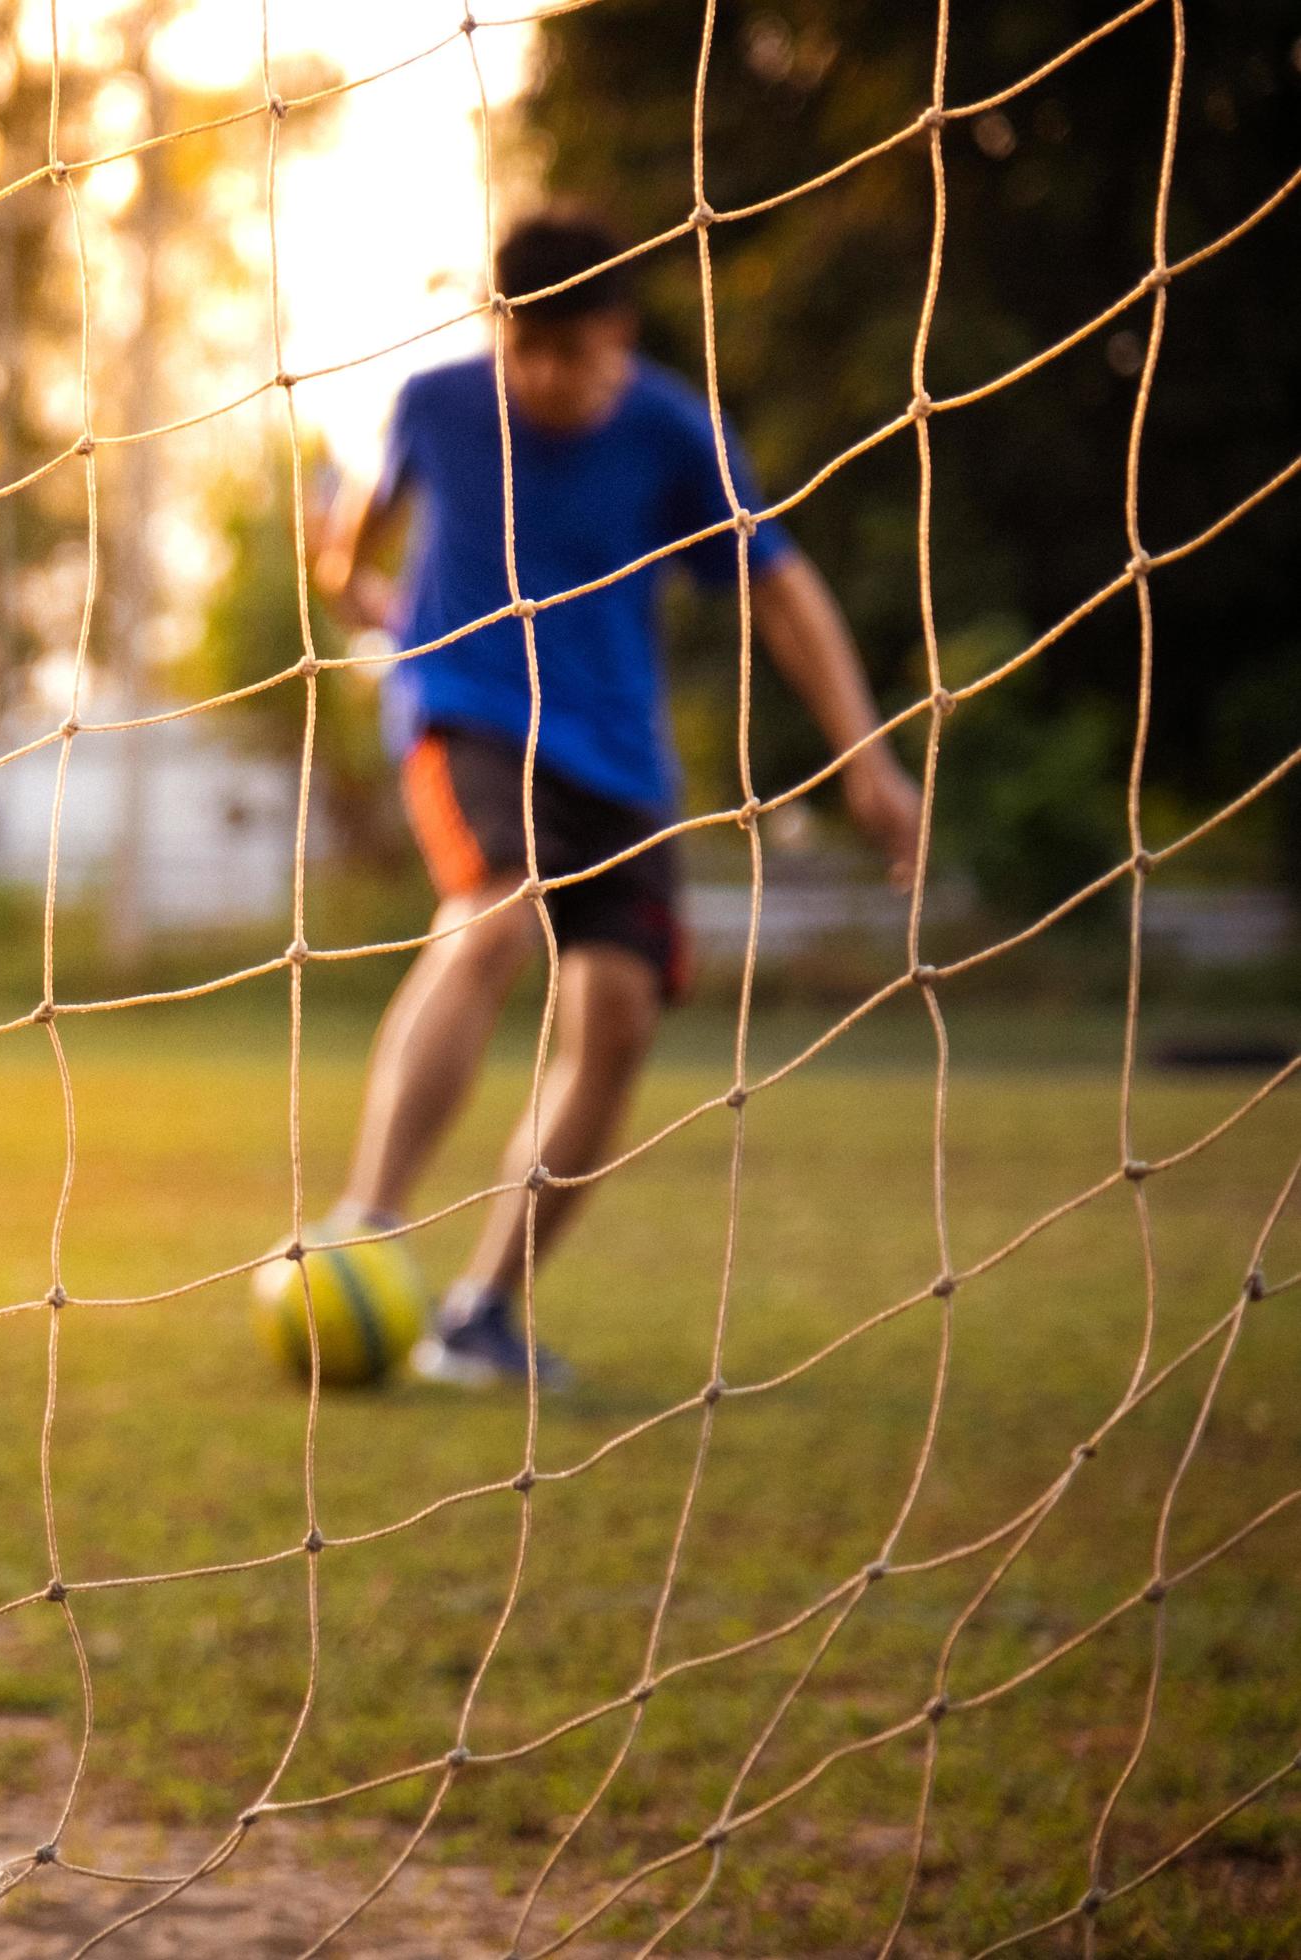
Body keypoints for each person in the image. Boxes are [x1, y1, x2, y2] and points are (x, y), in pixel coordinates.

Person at [311, 210, 923, 1388]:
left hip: (618, 758)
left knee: (620, 1018)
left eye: (566, 350)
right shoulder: (437, 405)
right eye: (521, 347)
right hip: (468, 706)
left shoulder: (674, 432)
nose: (541, 375)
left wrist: (868, 758)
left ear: (616, 335)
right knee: (498, 906)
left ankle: (480, 1312)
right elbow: (346, 555)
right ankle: (364, 1230)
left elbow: (782, 592)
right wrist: (367, 598)